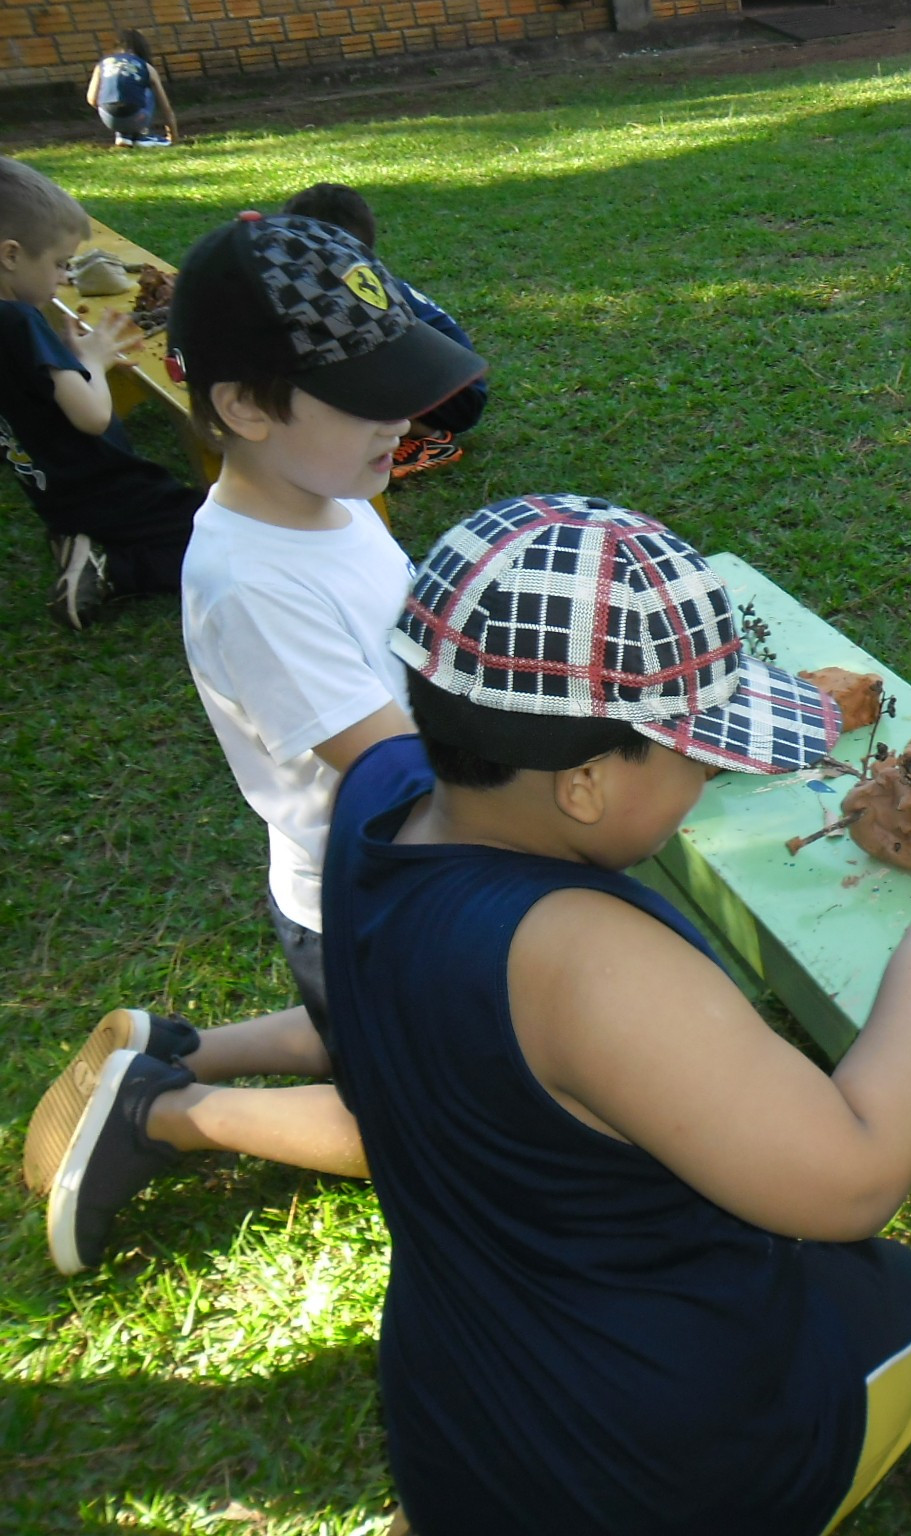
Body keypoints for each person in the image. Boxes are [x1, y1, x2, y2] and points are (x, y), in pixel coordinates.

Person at [322, 493, 911, 1535]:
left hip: (467, 1414)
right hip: (644, 1472)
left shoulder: (379, 787)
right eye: (697, 756)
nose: (708, 777)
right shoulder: (582, 962)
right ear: (585, 785)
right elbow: (858, 1175)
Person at [24, 212, 487, 1275]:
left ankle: (173, 1045)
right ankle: (167, 1111)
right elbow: (397, 768)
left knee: (385, 1028)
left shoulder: (333, 495)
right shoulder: (252, 583)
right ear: (244, 407)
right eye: (367, 398)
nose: (404, 417)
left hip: (395, 884)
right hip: (372, 890)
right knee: (441, 1133)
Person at [0, 156, 197, 629]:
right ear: (10, 255)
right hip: (110, 489)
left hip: (54, 494)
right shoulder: (20, 321)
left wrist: (66, 361)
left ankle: (82, 541)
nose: (63, 278)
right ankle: (111, 570)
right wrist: (93, 359)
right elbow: (91, 417)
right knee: (225, 537)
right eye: (58, 264)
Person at [280, 182, 488, 479]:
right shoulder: (347, 282)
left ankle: (427, 436)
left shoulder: (359, 293)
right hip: (447, 383)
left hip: (455, 394)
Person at [85, 31, 177, 149]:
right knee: (147, 91)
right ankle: (142, 136)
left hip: (109, 117)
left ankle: (123, 135)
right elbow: (166, 109)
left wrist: (113, 108)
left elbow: (92, 99)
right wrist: (173, 136)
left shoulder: (102, 64)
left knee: (118, 96)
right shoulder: (146, 67)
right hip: (137, 117)